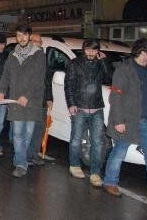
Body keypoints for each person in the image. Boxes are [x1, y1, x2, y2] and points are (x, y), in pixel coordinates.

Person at [103, 38, 147, 206]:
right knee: (119, 152)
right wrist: (118, 120)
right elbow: (116, 96)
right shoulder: (124, 70)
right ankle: (110, 182)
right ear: (143, 53)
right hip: (128, 120)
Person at [0, 24, 46, 178]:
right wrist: (1, 90)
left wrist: (27, 95)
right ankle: (21, 163)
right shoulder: (12, 55)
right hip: (15, 100)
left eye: (24, 35)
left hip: (32, 100)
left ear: (29, 36)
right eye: (19, 35)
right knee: (18, 133)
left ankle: (19, 157)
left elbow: (39, 78)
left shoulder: (38, 54)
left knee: (28, 133)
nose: (22, 38)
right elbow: (6, 74)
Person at [63, 39, 107, 187]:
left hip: (97, 108)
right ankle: (74, 165)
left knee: (98, 142)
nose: (91, 53)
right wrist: (71, 104)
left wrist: (104, 61)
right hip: (80, 108)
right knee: (76, 139)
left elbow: (108, 78)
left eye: (94, 50)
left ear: (98, 51)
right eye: (88, 49)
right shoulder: (74, 63)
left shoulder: (100, 64)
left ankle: (95, 173)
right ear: (84, 49)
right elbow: (68, 85)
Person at [26, 33, 53, 166]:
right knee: (28, 130)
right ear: (30, 42)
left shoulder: (43, 57)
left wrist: (49, 97)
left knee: (40, 129)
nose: (39, 44)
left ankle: (34, 154)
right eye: (36, 41)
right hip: (28, 100)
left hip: (41, 100)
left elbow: (47, 80)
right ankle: (25, 156)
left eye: (40, 42)